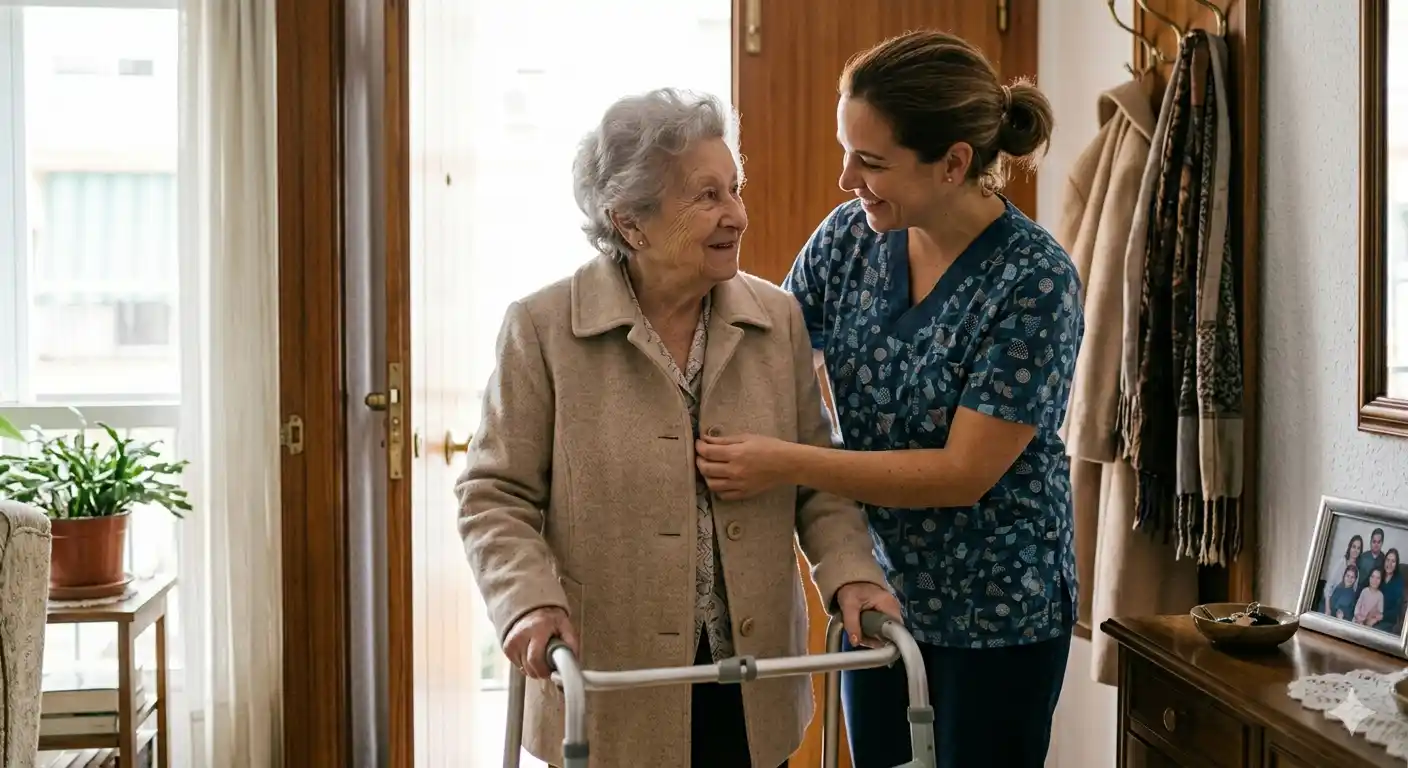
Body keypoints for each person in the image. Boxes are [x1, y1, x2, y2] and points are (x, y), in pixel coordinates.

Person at [455, 87, 899, 768]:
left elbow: (816, 477)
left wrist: (850, 574)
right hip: (609, 683)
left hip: (752, 684)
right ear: (631, 223)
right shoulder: (544, 330)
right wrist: (525, 603)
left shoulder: (776, 320)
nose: (738, 216)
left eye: (735, 188)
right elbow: (493, 494)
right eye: (708, 197)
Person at [693, 31, 1081, 768]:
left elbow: (961, 473)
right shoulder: (850, 239)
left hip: (998, 610)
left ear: (954, 163)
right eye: (847, 151)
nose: (846, 179)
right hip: (878, 594)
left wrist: (783, 462)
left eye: (871, 162)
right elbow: (761, 343)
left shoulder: (1034, 282)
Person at [1324, 534, 1363, 614]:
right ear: (1349, 547)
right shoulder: (1341, 563)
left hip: (1343, 609)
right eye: (1354, 547)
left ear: (1360, 551)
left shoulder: (1357, 572)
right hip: (1330, 603)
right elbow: (1328, 587)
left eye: (1358, 548)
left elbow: (1352, 594)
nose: (1355, 550)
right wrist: (1327, 608)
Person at [1376, 549, 1404, 633]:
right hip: (1371, 613)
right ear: (1384, 561)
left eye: (1393, 561)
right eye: (1388, 560)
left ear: (1396, 564)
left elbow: (1397, 610)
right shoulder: (1378, 573)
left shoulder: (1398, 581)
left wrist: (1381, 616)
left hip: (1386, 620)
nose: (1389, 564)